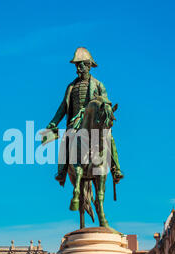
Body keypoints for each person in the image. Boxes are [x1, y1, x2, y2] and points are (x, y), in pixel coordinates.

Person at [46, 47, 123, 186]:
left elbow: (105, 102)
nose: (77, 68)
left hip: (95, 121)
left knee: (109, 137)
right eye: (76, 65)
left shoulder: (98, 85)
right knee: (66, 138)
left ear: (88, 65)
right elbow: (63, 106)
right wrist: (53, 123)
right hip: (75, 122)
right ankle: (62, 171)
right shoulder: (71, 87)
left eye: (80, 65)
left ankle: (115, 168)